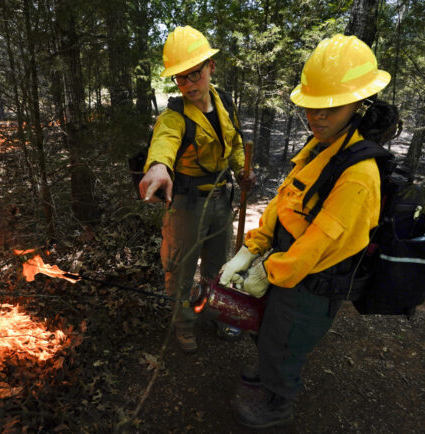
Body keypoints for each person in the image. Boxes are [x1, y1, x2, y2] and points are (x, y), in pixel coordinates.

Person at [218, 34, 401, 428]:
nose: (316, 117)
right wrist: (253, 248)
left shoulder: (358, 175)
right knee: (270, 329)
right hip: (288, 267)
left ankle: (277, 401)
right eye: (312, 107)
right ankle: (269, 373)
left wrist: (268, 271)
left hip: (312, 284)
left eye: (330, 108)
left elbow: (321, 244)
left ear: (359, 105)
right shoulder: (323, 145)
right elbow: (286, 199)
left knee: (287, 342)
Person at [139, 26, 255, 353]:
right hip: (187, 207)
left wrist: (242, 170)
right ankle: (184, 323)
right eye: (180, 77)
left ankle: (217, 312)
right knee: (180, 269)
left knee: (220, 265)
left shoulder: (224, 101)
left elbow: (231, 143)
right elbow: (164, 142)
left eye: (195, 74)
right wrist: (159, 167)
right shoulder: (174, 116)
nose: (189, 84)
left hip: (221, 200)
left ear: (210, 67)